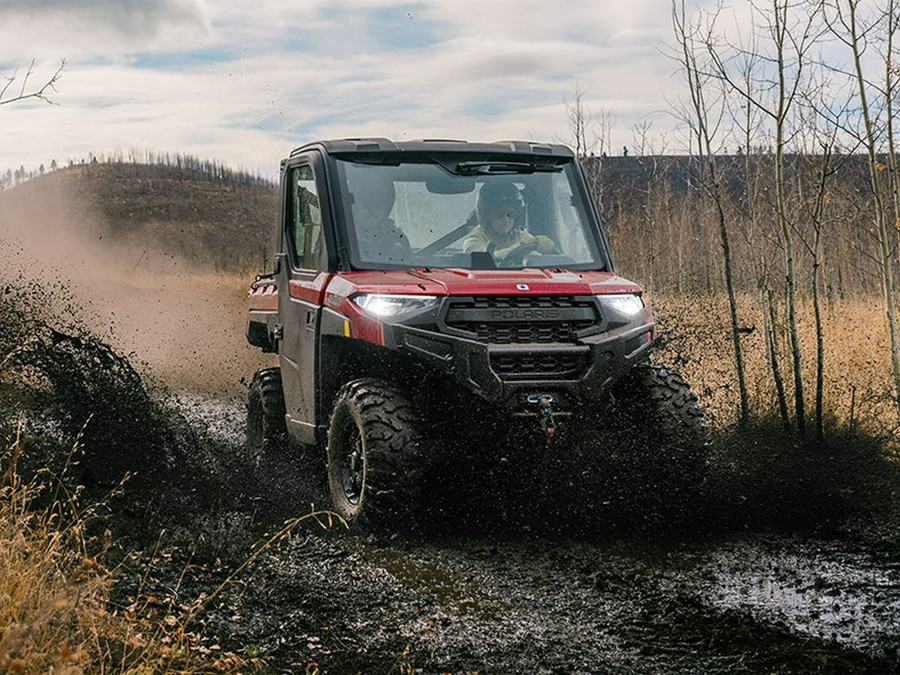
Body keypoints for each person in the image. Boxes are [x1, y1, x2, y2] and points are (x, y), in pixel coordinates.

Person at [463, 181, 556, 263]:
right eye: (499, 215)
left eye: (511, 214)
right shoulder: (474, 240)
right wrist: (520, 248)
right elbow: (480, 262)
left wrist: (543, 246)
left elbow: (535, 259)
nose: (506, 219)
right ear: (487, 216)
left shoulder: (521, 237)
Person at [348, 172, 413, 263]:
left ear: (387, 207)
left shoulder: (398, 238)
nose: (373, 210)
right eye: (367, 205)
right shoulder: (345, 237)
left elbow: (411, 270)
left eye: (379, 205)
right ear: (355, 206)